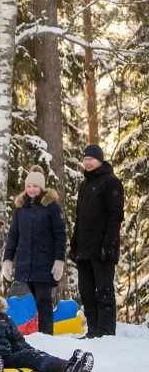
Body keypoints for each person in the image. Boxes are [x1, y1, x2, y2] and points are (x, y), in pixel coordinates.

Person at [2, 166, 67, 335]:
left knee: (42, 301)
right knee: (23, 304)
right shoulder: (20, 209)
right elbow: (13, 236)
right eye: (29, 186)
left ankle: (46, 337)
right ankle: (25, 338)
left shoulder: (52, 208)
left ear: (42, 188)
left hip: (44, 265)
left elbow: (60, 236)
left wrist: (59, 261)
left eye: (35, 186)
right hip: (23, 267)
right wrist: (7, 260)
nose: (32, 190)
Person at [70, 144, 124, 338]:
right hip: (84, 249)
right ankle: (93, 329)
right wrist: (74, 244)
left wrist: (108, 245)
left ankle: (106, 331)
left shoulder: (111, 182)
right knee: (85, 291)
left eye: (90, 159)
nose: (87, 162)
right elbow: (79, 218)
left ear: (100, 160)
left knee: (104, 290)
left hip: (102, 248)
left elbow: (115, 215)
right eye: (84, 159)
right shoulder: (84, 185)